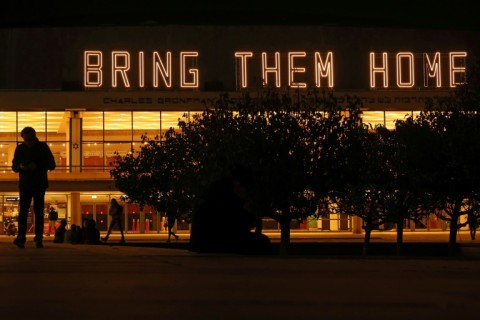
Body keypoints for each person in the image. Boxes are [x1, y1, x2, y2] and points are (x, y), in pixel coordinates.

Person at [11, 126, 56, 248]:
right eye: (25, 139)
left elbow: (52, 164)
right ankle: (22, 237)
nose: (27, 142)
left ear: (34, 136)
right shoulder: (20, 148)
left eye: (29, 139)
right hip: (27, 184)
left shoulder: (42, 147)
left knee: (37, 211)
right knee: (25, 211)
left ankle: (37, 237)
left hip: (37, 183)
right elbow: (14, 166)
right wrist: (21, 166)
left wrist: (37, 166)